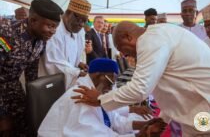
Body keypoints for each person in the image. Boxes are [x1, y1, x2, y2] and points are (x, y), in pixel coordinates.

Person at [73, 21, 210, 136]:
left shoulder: (149, 40)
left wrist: (100, 100)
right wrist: (162, 120)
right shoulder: (159, 34)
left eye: (122, 48)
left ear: (127, 37)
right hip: (204, 107)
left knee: (202, 133)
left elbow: (140, 89)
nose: (124, 55)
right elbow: (172, 88)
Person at [38, 58, 166, 137]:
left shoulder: (96, 93)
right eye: (111, 82)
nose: (111, 88)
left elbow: (113, 121)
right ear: (99, 75)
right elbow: (93, 134)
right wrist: (138, 136)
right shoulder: (81, 95)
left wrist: (142, 125)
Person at [0, 0, 63, 136]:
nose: (53, 31)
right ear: (33, 20)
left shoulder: (41, 39)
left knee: (25, 127)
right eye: (50, 26)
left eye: (55, 27)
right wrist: (2, 115)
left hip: (14, 89)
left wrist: (33, 100)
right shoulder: (7, 34)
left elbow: (31, 72)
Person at [38, 0, 91, 89]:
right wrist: (78, 73)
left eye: (84, 21)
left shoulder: (80, 31)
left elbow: (74, 54)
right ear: (68, 13)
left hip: (70, 81)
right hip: (49, 85)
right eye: (79, 20)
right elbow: (53, 62)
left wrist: (79, 63)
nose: (81, 24)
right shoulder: (54, 30)